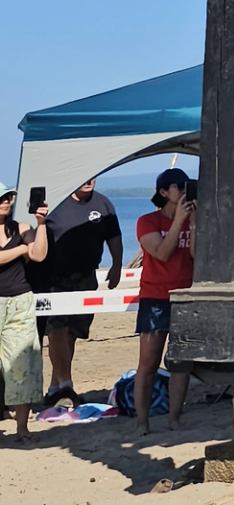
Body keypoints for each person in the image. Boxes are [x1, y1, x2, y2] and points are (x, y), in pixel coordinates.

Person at [31, 178, 123, 407]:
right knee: (57, 329)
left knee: (73, 331)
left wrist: (117, 265)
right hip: (54, 277)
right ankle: (65, 384)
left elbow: (114, 236)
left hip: (86, 276)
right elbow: (34, 235)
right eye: (84, 178)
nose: (88, 181)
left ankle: (56, 386)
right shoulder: (55, 203)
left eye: (92, 177)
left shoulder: (103, 204)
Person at [133, 169, 193, 434]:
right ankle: (142, 421)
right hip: (155, 296)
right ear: (163, 192)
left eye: (187, 186)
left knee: (180, 362)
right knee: (148, 362)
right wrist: (179, 220)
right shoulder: (147, 221)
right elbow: (162, 253)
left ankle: (174, 417)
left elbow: (198, 254)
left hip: (186, 294)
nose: (184, 191)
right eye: (179, 187)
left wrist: (197, 222)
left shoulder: (193, 218)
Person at [0, 184, 50, 441]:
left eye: (8, 197)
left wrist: (40, 224)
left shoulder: (20, 228)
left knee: (22, 365)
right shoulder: (18, 238)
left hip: (19, 300)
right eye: (1, 198)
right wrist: (21, 250)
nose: (6, 201)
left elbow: (39, 255)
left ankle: (21, 428)